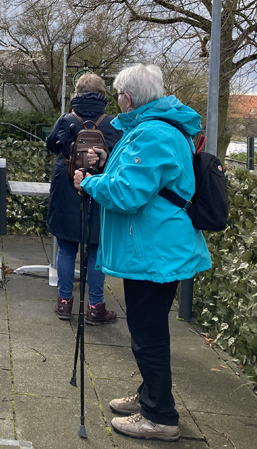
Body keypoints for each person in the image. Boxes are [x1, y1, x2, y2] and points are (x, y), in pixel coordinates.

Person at [73, 64, 211, 442]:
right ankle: (151, 395)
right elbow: (137, 177)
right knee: (146, 328)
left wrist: (90, 182)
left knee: (147, 333)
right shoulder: (158, 127)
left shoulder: (152, 133)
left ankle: (159, 416)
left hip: (153, 251)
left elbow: (126, 193)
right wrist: (106, 166)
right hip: (156, 247)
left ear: (128, 98)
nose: (118, 102)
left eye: (118, 96)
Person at [46, 73, 122, 324]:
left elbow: (51, 145)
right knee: (96, 248)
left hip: (67, 185)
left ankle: (64, 303)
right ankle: (95, 306)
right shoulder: (114, 124)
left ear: (76, 93)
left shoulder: (66, 119)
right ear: (103, 96)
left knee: (67, 247)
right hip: (98, 190)